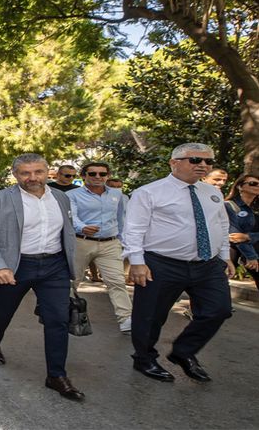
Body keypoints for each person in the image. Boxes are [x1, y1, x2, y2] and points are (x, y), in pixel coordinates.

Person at [124, 143, 234, 383]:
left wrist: (224, 256)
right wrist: (137, 262)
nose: (203, 165)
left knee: (220, 309)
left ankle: (184, 352)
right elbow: (133, 229)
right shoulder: (149, 192)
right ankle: (144, 359)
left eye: (208, 161)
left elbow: (222, 225)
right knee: (150, 316)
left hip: (207, 264)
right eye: (195, 160)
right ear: (174, 163)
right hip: (161, 264)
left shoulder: (211, 193)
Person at [0, 153, 84, 401]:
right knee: (4, 309)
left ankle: (56, 376)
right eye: (25, 173)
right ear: (15, 175)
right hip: (17, 265)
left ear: (49, 173)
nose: (32, 178)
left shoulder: (60, 198)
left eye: (38, 172)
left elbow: (66, 232)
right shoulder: (1, 199)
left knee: (57, 319)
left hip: (54, 266)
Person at [67, 162, 132, 333]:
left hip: (110, 244)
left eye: (102, 174)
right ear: (84, 175)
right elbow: (71, 216)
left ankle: (126, 319)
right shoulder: (73, 195)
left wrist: (122, 240)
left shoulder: (117, 195)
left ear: (107, 176)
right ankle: (64, 313)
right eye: (93, 174)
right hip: (82, 241)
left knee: (117, 281)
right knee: (73, 280)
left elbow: (121, 219)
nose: (98, 177)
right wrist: (82, 227)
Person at [224, 174, 259, 291]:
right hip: (234, 251)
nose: (257, 186)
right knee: (218, 283)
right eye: (253, 183)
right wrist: (250, 256)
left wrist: (248, 236)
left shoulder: (256, 209)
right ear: (240, 186)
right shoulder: (229, 206)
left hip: (254, 251)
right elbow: (235, 236)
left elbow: (243, 236)